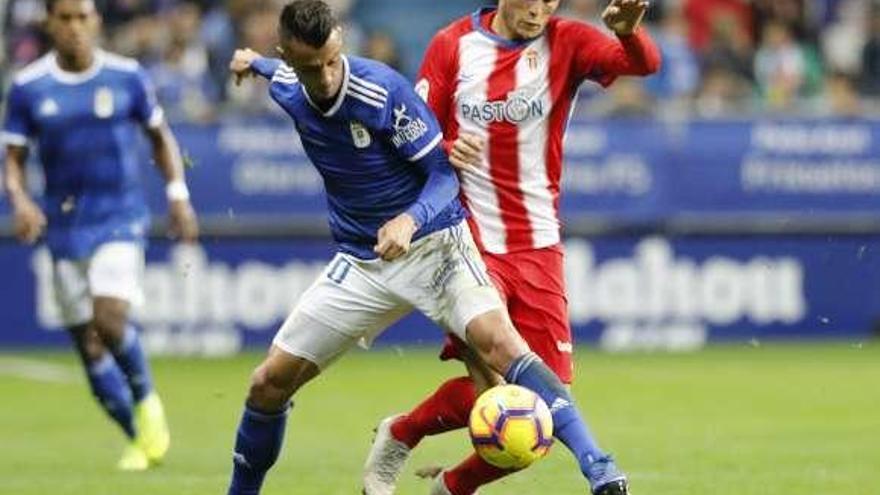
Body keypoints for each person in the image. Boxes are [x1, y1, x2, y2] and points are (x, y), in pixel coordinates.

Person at [224, 1, 635, 494]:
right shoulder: (289, 86)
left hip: (437, 243)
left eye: (334, 60)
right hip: (363, 261)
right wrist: (254, 63)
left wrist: (408, 219)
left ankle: (600, 468)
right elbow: (280, 74)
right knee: (267, 384)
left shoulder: (381, 91)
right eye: (313, 67)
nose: (328, 76)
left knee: (502, 347)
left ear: (340, 43)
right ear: (289, 58)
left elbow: (442, 176)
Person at [361, 1, 660, 494]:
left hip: (539, 243)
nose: (540, 9)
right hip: (468, 241)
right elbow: (412, 139)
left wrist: (628, 33)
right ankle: (600, 467)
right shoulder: (452, 45)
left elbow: (645, 64)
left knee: (535, 412)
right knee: (500, 386)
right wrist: (448, 146)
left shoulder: (567, 40)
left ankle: (443, 475)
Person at [2, 0, 198, 471]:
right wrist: (21, 201)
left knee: (109, 321)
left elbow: (159, 136)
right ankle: (139, 439)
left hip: (119, 216)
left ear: (96, 21)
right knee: (88, 347)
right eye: (64, 18)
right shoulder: (29, 88)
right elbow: (13, 158)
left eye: (82, 17)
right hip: (64, 226)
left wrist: (177, 194)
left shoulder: (127, 76)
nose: (74, 27)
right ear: (49, 23)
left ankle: (149, 406)